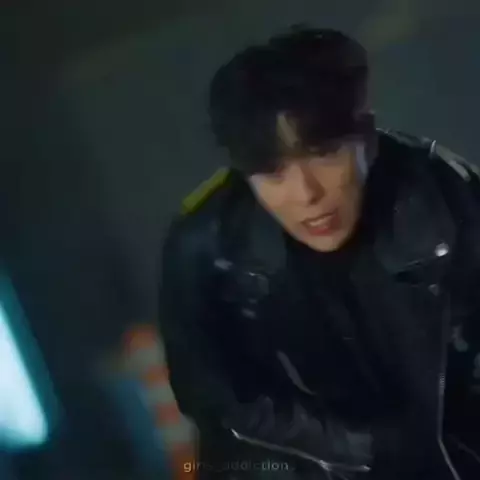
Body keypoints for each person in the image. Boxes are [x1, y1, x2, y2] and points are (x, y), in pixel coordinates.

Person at [159, 26, 480, 479]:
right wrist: (363, 448)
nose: (306, 193)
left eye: (324, 154)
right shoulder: (207, 247)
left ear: (366, 136)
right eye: (273, 172)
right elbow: (215, 399)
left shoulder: (447, 198)